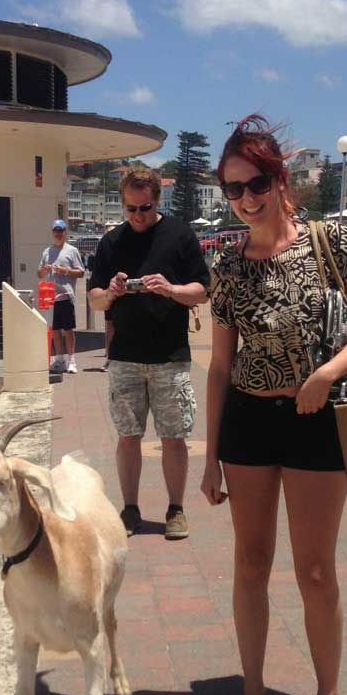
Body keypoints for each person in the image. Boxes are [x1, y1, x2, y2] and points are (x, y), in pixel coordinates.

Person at [200, 116, 347, 695]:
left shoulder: (328, 241)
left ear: (280, 180)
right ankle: (253, 690)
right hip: (249, 424)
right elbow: (221, 366)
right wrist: (209, 458)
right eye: (231, 189)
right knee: (252, 563)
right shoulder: (227, 267)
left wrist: (327, 373)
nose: (245, 199)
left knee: (315, 571)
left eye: (255, 183)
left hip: (316, 421)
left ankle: (328, 694)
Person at [88, 166, 210, 540]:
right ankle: (130, 508)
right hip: (125, 356)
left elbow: (202, 291)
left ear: (157, 200)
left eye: (144, 207)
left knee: (174, 436)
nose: (138, 216)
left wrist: (171, 289)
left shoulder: (179, 234)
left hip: (170, 356)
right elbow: (94, 300)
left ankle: (176, 509)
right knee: (128, 436)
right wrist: (111, 292)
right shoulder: (111, 243)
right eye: (130, 209)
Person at [38, 219, 84, 373]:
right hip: (50, 296)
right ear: (52, 232)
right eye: (56, 230)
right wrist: (44, 270)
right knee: (55, 329)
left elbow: (81, 272)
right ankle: (59, 360)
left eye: (61, 230)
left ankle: (72, 360)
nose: (58, 233)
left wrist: (65, 271)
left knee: (68, 329)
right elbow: (39, 273)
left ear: (65, 232)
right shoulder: (47, 251)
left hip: (66, 295)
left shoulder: (72, 250)